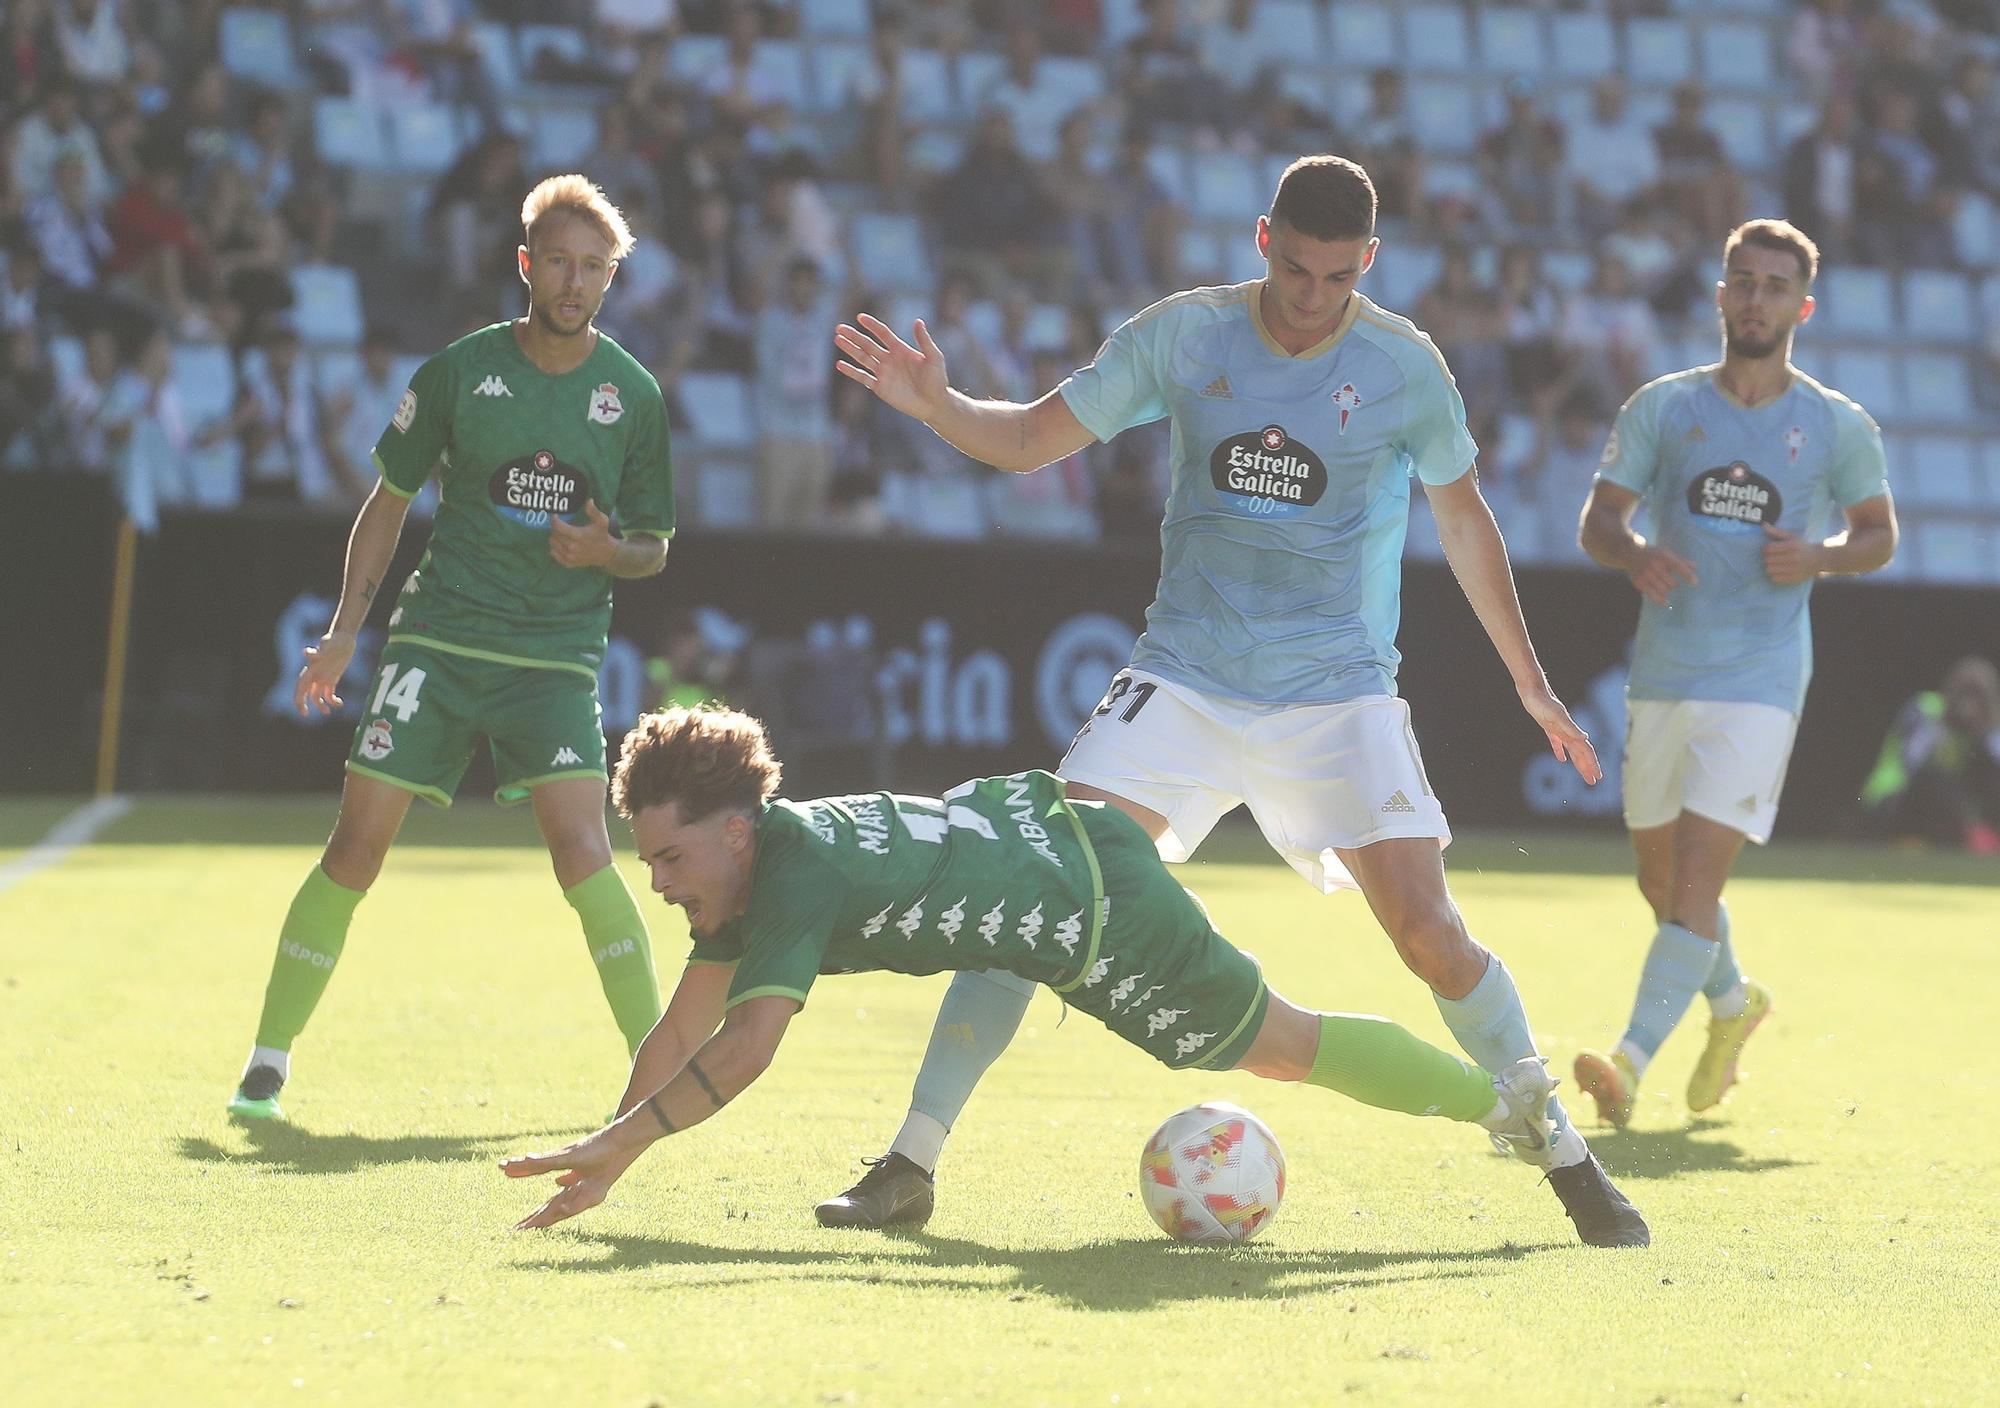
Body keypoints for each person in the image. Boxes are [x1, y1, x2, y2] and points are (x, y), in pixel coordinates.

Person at [826, 155, 1648, 1248]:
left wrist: (1530, 683)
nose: (1311, 300)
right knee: (1041, 881)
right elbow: (1028, 439)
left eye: (1336, 279)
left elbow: (1462, 521)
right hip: (1184, 676)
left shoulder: (1404, 365)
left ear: (1368, 263)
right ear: (1263, 241)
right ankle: (910, 1161)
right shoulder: (1184, 333)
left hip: (1337, 691)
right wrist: (936, 406)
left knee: (1428, 934)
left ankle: (1560, 1151)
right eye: (1296, 271)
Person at [500, 705, 1566, 1234]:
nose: (660, 881)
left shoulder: (795, 873)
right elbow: (682, 1029)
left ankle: (1501, 1101)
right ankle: (907, 1168)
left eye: (670, 857)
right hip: (1039, 840)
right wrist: (610, 1151)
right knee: (991, 952)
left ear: (735, 832)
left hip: (1096, 910)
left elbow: (742, 1046)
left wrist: (616, 1141)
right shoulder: (751, 868)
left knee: (1281, 1049)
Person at [225, 175, 677, 1121]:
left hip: (552, 659)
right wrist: (346, 633)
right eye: (558, 260)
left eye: (594, 267)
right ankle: (266, 1062)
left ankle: (656, 1071)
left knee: (585, 852)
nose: (574, 280)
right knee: (355, 849)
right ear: (526, 263)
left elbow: (653, 548)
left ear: (610, 280)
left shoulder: (632, 397)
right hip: (436, 644)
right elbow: (385, 503)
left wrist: (606, 551)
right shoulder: (459, 373)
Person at [1572, 219, 1897, 1128]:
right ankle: (1731, 1004)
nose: (1756, 298)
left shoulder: (1835, 424)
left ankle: (1629, 1062)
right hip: (1665, 668)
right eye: (1741, 281)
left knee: (1696, 887)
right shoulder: (1663, 408)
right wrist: (1632, 551)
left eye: (1773, 285)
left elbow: (1878, 533)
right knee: (1659, 884)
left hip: (1761, 677)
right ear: (1720, 295)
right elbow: (1598, 519)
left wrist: (1822, 557)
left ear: (1803, 305)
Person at [1858, 657, 2000, 853]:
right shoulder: (1925, 708)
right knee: (1934, 775)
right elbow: (1912, 761)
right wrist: (1945, 728)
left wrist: (1986, 731)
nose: (1969, 711)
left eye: (1978, 703)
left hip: (1940, 811)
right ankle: (1968, 833)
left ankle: (1982, 832)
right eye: (1965, 699)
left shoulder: (1981, 727)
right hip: (1891, 800)